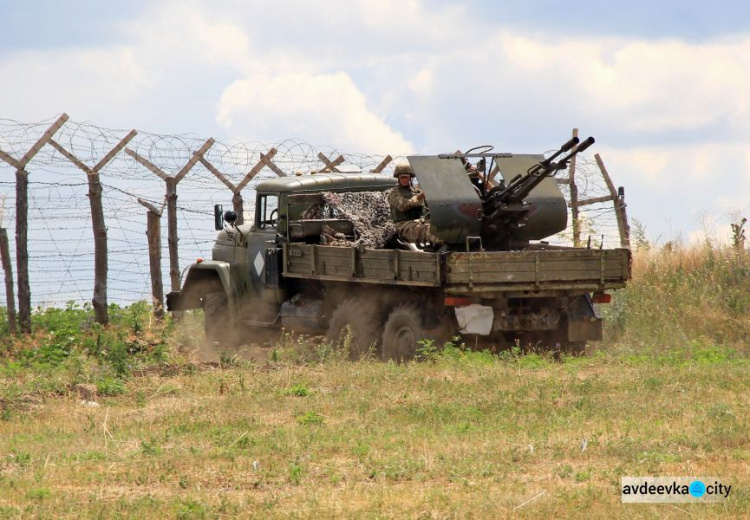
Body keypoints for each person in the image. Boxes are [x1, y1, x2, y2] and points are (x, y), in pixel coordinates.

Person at [387, 163, 444, 247]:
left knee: (442, 227)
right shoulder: (394, 193)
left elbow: (429, 207)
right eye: (402, 177)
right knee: (430, 231)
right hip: (403, 226)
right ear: (398, 178)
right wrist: (420, 196)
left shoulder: (417, 191)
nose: (404, 180)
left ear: (410, 177)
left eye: (406, 177)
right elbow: (403, 206)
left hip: (420, 222)